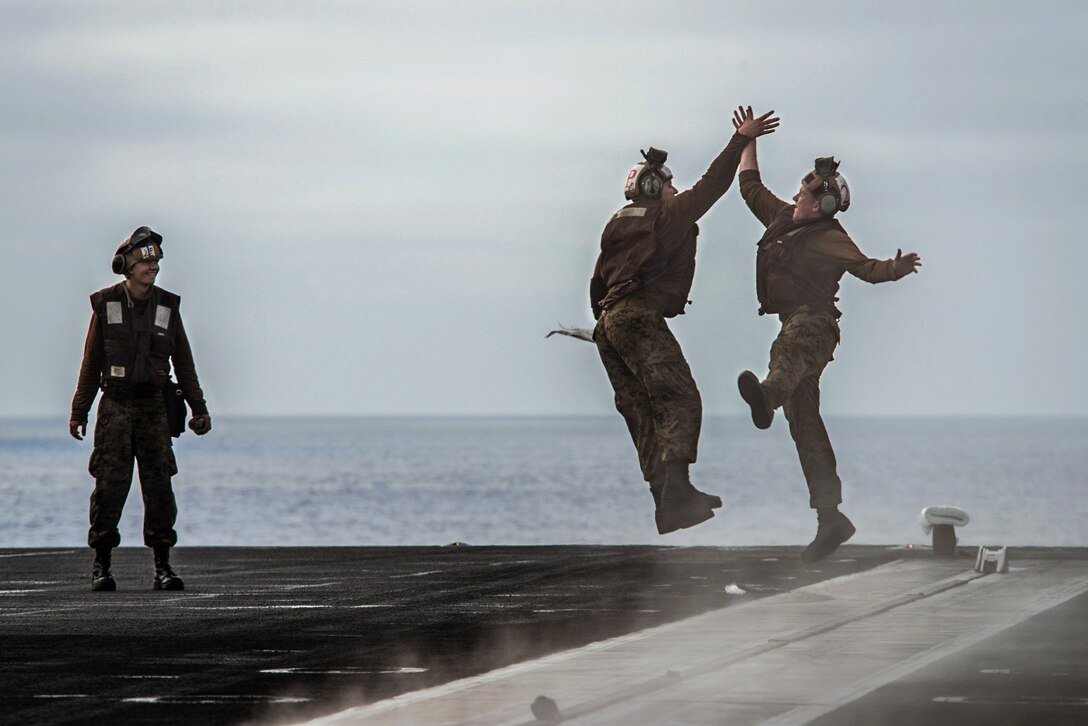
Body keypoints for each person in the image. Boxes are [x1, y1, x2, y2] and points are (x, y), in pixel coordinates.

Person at [730, 106, 921, 562]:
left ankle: (767, 397)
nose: (796, 198)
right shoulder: (782, 218)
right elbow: (749, 186)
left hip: (816, 324)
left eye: (803, 196)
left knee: (787, 349)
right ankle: (831, 517)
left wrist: (895, 269)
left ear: (821, 206)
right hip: (794, 322)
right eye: (797, 192)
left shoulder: (830, 236)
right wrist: (746, 139)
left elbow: (868, 270)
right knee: (806, 424)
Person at [590, 106, 780, 535]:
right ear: (654, 187)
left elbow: (597, 282)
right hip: (636, 318)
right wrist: (741, 139)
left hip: (608, 324)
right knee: (680, 399)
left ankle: (666, 503)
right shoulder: (666, 217)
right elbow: (713, 185)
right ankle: (677, 494)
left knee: (642, 413)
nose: (676, 188)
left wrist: (609, 327)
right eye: (669, 183)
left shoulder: (616, 224)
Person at [69, 226, 212, 591]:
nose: (152, 267)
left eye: (156, 262)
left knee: (159, 486)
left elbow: (184, 361)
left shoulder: (167, 307)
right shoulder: (106, 305)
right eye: (145, 262)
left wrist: (199, 408)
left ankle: (163, 566)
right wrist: (79, 411)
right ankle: (102, 565)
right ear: (126, 266)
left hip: (154, 409)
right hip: (115, 407)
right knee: (109, 488)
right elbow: (91, 362)